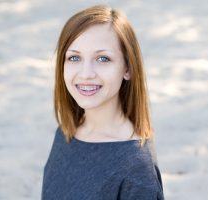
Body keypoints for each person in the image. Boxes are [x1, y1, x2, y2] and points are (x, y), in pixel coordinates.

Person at [41, 4, 164, 200]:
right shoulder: (66, 132)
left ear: (128, 68)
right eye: (74, 57)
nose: (86, 74)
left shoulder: (137, 170)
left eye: (103, 59)